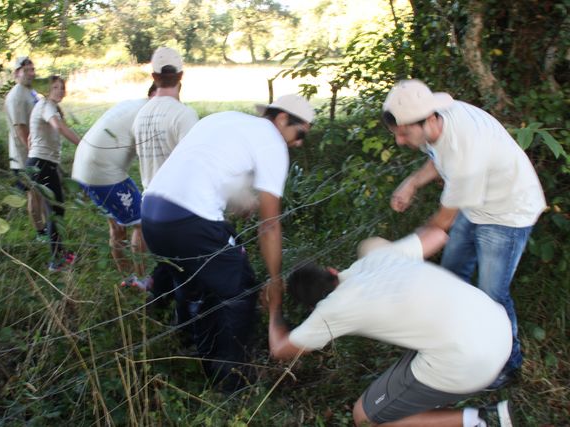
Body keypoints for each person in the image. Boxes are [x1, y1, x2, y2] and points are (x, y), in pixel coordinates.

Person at [140, 94, 314, 390]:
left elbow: (203, 168)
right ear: (283, 119)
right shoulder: (272, 143)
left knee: (193, 280)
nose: (299, 143)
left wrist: (237, 200)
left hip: (152, 214)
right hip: (189, 220)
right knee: (240, 288)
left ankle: (189, 352)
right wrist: (273, 280)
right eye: (300, 134)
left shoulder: (225, 119)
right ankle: (231, 381)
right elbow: (270, 225)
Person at [382, 79, 546, 390]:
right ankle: (453, 342)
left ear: (429, 119)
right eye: (397, 134)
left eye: (405, 133)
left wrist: (404, 254)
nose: (400, 141)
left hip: (507, 214)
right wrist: (413, 183)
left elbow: (441, 223)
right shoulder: (440, 121)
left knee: (492, 295)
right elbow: (437, 156)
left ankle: (508, 365)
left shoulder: (465, 149)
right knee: (453, 274)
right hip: (475, 208)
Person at [266, 228, 514, 426]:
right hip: (500, 327)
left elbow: (280, 350)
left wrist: (274, 305)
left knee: (364, 417)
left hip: (473, 362)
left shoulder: (330, 311)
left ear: (312, 309)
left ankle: (482, 419)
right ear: (332, 271)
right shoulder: (377, 258)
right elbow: (437, 235)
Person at [72, 83, 157, 287]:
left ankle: (127, 280)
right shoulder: (148, 115)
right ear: (155, 95)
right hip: (103, 171)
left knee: (117, 226)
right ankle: (142, 281)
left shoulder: (132, 104)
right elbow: (149, 158)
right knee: (141, 223)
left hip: (83, 167)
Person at [131, 47, 199, 295]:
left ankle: (156, 312)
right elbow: (194, 167)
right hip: (177, 209)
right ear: (181, 75)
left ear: (154, 77)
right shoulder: (184, 115)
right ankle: (184, 326)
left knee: (165, 267)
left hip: (149, 209)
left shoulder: (141, 115)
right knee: (186, 274)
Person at [27, 76, 81, 272]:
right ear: (47, 90)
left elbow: (33, 136)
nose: (60, 91)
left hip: (41, 163)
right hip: (43, 165)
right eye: (55, 87)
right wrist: (82, 144)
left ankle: (60, 253)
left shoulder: (43, 105)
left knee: (57, 210)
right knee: (55, 212)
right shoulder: (47, 105)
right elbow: (58, 126)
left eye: (62, 87)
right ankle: (56, 262)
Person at [4, 56, 47, 240]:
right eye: (26, 70)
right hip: (24, 156)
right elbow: (20, 129)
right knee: (34, 194)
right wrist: (32, 153)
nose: (31, 73)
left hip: (38, 150)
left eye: (32, 69)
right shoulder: (16, 96)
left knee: (42, 192)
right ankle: (40, 232)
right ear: (16, 73)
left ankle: (50, 225)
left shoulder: (30, 91)